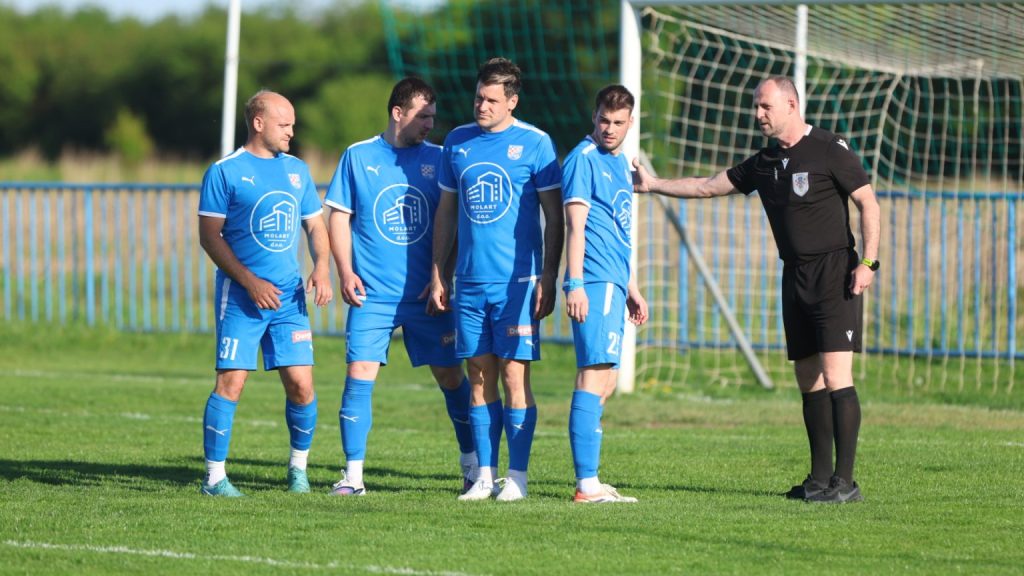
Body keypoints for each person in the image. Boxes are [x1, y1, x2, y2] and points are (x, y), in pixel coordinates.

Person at [633, 76, 880, 503]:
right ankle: (820, 479)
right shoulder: (765, 162)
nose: (758, 114)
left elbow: (868, 203)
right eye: (756, 106)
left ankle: (846, 482)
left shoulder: (829, 148)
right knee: (808, 380)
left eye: (765, 106)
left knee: (837, 376)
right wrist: (654, 185)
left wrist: (869, 263)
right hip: (794, 276)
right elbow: (708, 186)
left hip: (835, 273)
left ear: (791, 105)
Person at [323, 77, 477, 496]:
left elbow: (456, 222)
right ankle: (353, 477)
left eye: (433, 116)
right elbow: (338, 217)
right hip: (372, 295)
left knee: (451, 377)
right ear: (397, 113)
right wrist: (345, 271)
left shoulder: (441, 158)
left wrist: (442, 275)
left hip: (428, 296)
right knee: (359, 375)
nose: (430, 124)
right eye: (423, 116)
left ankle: (472, 468)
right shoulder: (358, 156)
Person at [429, 57, 564, 501]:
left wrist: (549, 274)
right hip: (469, 283)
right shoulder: (457, 141)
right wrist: (439, 272)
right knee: (478, 375)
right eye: (478, 98)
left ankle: (517, 477)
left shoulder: (536, 143)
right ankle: (484, 477)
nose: (481, 106)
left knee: (513, 375)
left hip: (518, 284)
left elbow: (554, 216)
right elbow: (446, 213)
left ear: (512, 101)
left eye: (490, 100)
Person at [197, 90, 333, 497]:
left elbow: (315, 226)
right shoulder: (224, 172)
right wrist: (249, 281)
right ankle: (214, 478)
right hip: (242, 298)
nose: (291, 132)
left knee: (302, 386)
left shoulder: (297, 171)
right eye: (284, 124)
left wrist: (321, 266)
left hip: (289, 299)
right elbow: (210, 237)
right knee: (232, 383)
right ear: (258, 124)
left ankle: (298, 472)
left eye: (293, 124)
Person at [563, 85, 648, 504]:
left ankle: (590, 480)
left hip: (614, 282)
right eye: (603, 120)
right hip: (593, 282)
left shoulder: (618, 163)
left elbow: (615, 230)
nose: (609, 129)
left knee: (607, 379)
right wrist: (574, 284)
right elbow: (575, 227)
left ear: (630, 123)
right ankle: (587, 484)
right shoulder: (583, 159)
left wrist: (630, 286)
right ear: (593, 117)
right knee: (593, 375)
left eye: (617, 122)